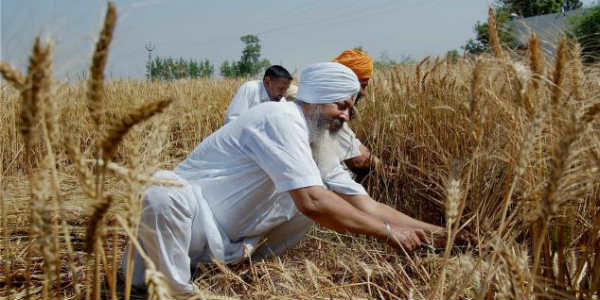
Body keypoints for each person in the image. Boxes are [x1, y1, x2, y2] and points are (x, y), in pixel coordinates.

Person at [123, 62, 463, 296]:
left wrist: (446, 237)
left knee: (326, 199)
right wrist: (388, 235)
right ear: (314, 99)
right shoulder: (278, 117)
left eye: (350, 109)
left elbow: (364, 203)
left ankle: (223, 269)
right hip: (191, 225)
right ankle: (174, 291)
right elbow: (313, 202)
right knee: (162, 191)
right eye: (341, 106)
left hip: (230, 245)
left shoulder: (319, 139)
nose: (346, 117)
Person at [224, 65, 292, 123]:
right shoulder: (250, 89)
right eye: (281, 88)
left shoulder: (282, 101)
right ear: (267, 82)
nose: (283, 93)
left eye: (286, 89)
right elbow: (232, 120)